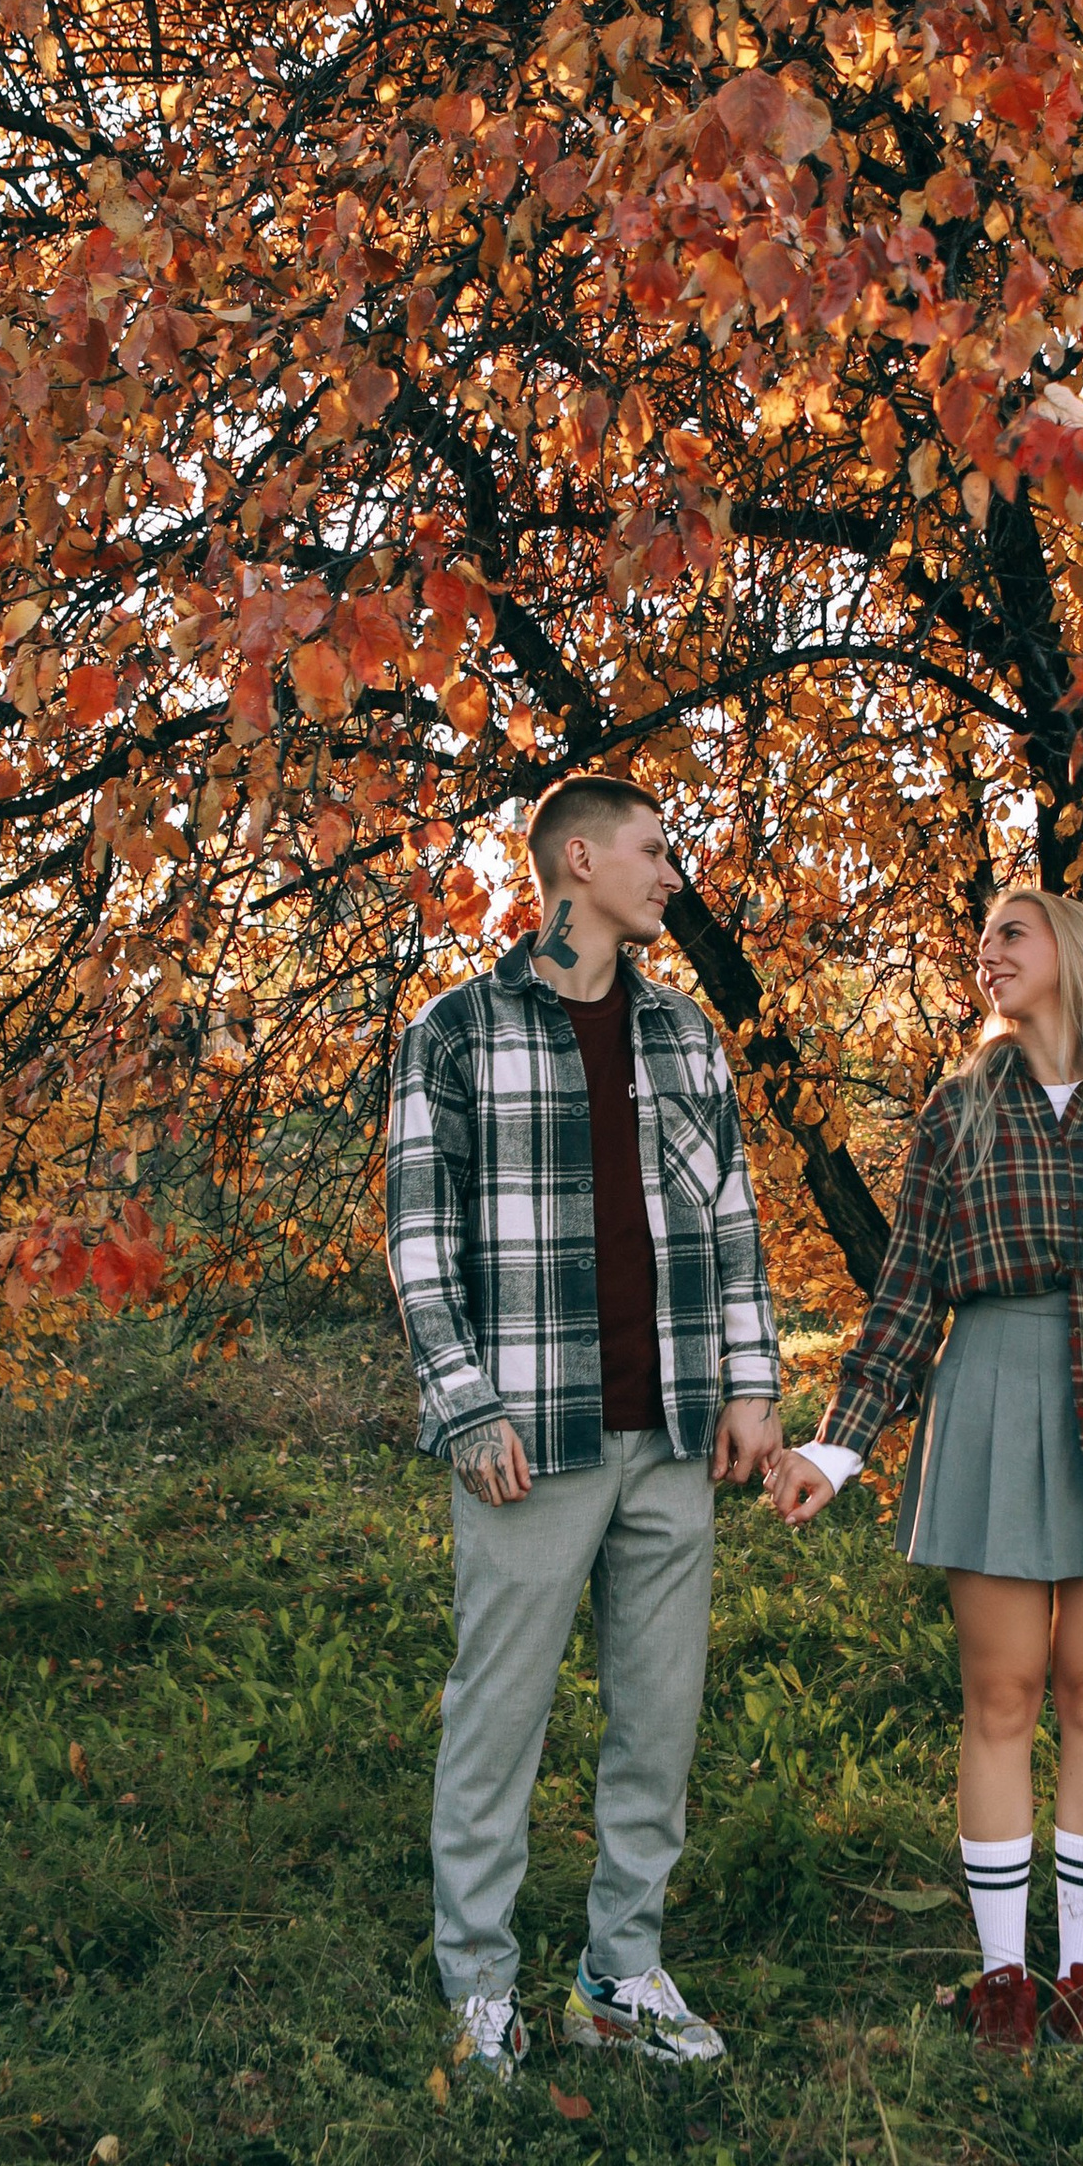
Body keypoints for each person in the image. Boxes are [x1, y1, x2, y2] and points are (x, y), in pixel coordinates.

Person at [767, 891, 1083, 2051]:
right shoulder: (960, 1108)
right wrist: (839, 1440)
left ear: (1072, 953)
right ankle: (1003, 1978)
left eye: (1009, 935)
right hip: (981, 1401)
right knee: (1002, 1695)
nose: (988, 953)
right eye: (980, 939)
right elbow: (908, 1289)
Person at [386, 776, 783, 2083]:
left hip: (671, 1433)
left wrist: (751, 1383)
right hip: (530, 1445)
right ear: (577, 860)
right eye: (653, 851)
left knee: (658, 1724)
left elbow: (730, 1224)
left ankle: (619, 1975)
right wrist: (465, 1409)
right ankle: (480, 1989)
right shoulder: (457, 1031)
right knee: (497, 1725)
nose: (671, 876)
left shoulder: (683, 1037)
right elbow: (418, 1245)